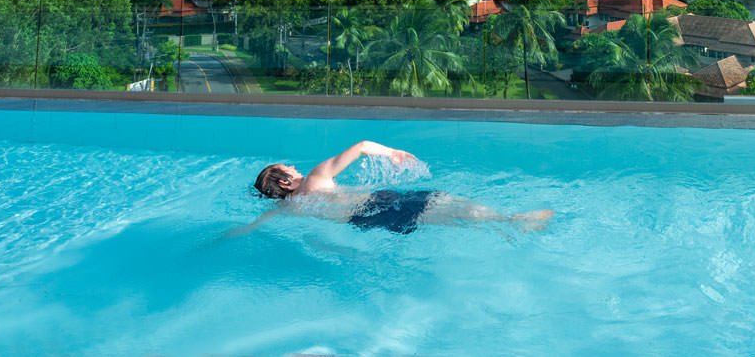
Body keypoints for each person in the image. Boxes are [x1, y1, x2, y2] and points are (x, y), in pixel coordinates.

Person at [236, 140, 552, 236]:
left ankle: (502, 227)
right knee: (449, 203)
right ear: (284, 181)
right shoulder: (317, 178)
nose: (294, 167)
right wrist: (393, 154)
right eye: (288, 168)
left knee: (447, 215)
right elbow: (360, 147)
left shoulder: (287, 206)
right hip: (382, 203)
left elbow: (253, 226)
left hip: (367, 223)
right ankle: (513, 221)